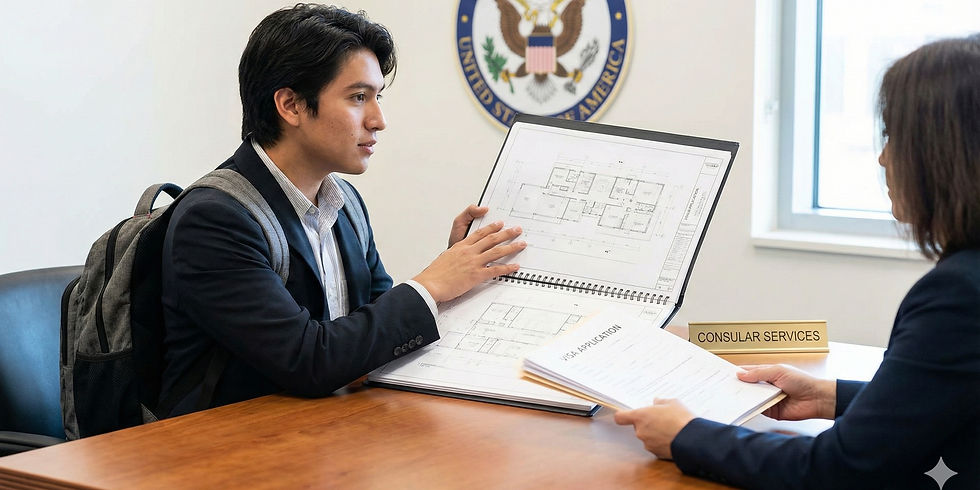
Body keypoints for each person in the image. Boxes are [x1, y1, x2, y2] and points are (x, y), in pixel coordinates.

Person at [613, 34, 980, 489]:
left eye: (894, 137)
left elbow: (837, 469)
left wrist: (687, 436)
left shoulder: (959, 294)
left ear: (944, 152)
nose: (883, 158)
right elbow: (949, 396)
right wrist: (829, 395)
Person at [158, 5, 526, 417]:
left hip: (318, 435)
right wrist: (431, 285)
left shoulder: (345, 204)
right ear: (291, 105)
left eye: (377, 97)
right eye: (357, 98)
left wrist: (459, 278)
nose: (378, 120)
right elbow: (310, 362)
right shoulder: (214, 220)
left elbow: (376, 338)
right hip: (221, 453)